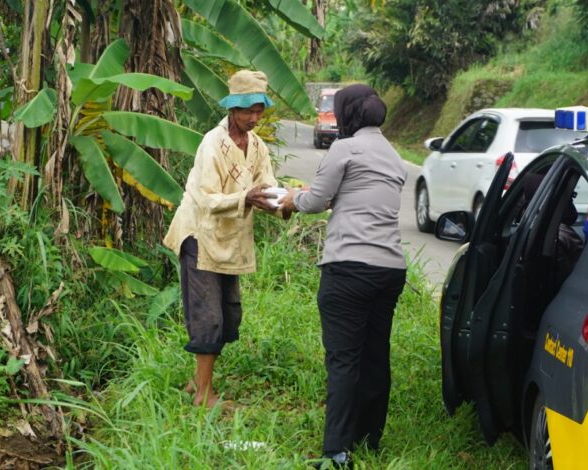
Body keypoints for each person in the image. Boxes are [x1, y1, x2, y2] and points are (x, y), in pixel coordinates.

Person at [279, 84, 408, 467]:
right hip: (390, 270)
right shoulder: (394, 156)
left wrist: (290, 199)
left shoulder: (344, 148)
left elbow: (316, 200)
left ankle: (336, 451)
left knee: (343, 359)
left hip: (349, 268)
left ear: (347, 114)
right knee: (374, 356)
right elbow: (357, 195)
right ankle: (369, 439)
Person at [163, 70, 288, 408]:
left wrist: (285, 204)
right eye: (248, 111)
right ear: (233, 108)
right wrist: (246, 198)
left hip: (229, 239)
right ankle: (204, 394)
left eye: (259, 110)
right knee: (208, 315)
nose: (254, 118)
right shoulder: (212, 144)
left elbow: (266, 186)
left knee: (228, 313)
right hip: (200, 235)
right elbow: (206, 199)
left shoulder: (257, 146)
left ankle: (196, 381)